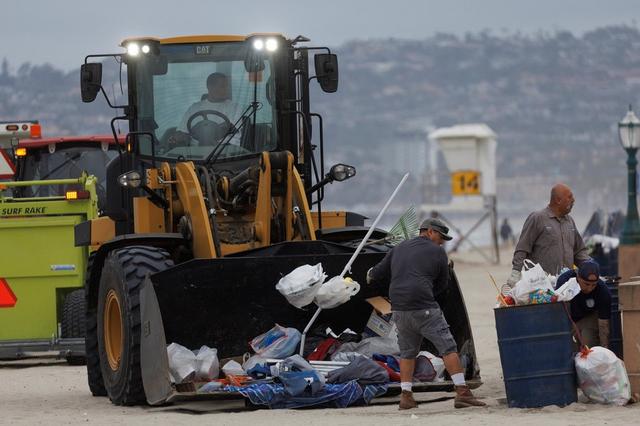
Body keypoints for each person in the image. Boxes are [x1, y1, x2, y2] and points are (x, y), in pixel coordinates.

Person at [367, 218, 485, 410]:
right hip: (424, 307)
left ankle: (406, 397)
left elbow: (376, 274)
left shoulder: (398, 248)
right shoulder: (437, 252)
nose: (442, 242)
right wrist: (430, 295)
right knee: (448, 347)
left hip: (398, 308)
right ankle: (463, 393)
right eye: (441, 236)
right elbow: (442, 284)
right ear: (429, 232)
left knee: (407, 352)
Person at [503, 183, 590, 293]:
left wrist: (590, 267)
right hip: (540, 286)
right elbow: (522, 248)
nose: (573, 200)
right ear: (558, 200)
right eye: (569, 197)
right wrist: (516, 273)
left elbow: (579, 251)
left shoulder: (570, 222)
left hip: (566, 285)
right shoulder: (538, 218)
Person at [170, 72, 238, 146]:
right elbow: (183, 132)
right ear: (210, 87)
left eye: (227, 86)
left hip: (222, 153)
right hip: (195, 153)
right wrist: (177, 137)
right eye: (222, 86)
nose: (226, 89)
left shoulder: (234, 107)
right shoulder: (194, 107)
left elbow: (237, 137)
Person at [555, 260, 611, 349]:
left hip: (590, 316)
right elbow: (559, 311)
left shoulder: (603, 291)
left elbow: (603, 324)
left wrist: (605, 350)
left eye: (593, 285)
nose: (589, 288)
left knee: (587, 341)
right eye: (586, 284)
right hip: (569, 316)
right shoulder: (565, 281)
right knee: (571, 345)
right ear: (578, 277)